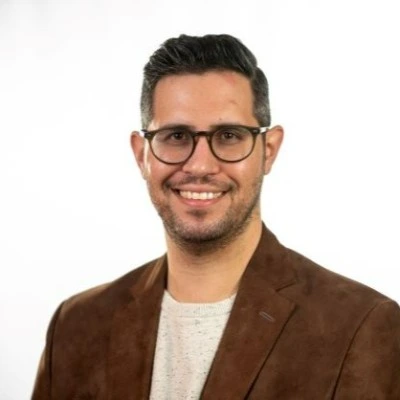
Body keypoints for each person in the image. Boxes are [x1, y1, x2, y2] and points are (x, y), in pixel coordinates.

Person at [32, 34, 400, 400]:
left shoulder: (361, 327)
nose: (200, 165)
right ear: (142, 154)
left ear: (269, 150)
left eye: (228, 135)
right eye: (176, 136)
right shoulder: (76, 325)